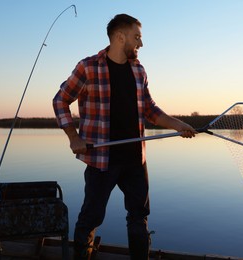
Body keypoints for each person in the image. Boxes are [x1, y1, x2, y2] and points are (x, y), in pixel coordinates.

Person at [52, 14, 197, 260]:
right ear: (120, 37)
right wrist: (73, 136)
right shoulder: (88, 67)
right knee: (91, 217)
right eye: (137, 37)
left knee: (138, 217)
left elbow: (150, 110)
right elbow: (60, 100)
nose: (141, 44)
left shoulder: (139, 70)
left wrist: (178, 124)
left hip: (135, 159)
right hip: (100, 160)